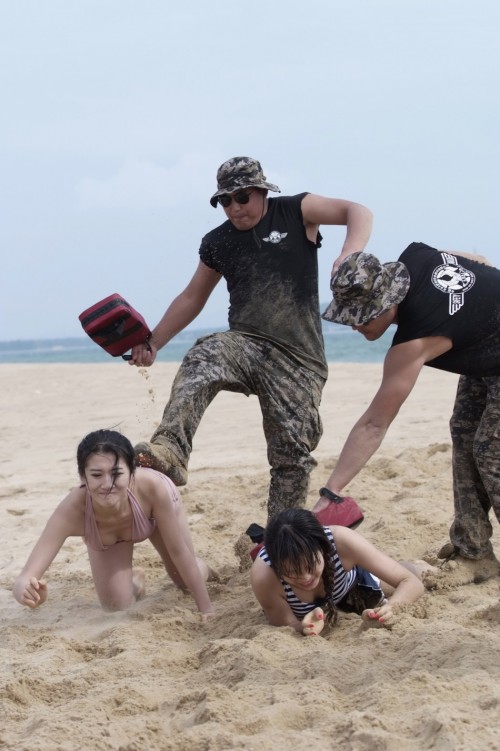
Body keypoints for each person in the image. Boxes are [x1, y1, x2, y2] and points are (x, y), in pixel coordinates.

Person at [129, 156, 373, 519]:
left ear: (262, 192)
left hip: (300, 362)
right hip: (246, 345)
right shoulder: (217, 242)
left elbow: (358, 211)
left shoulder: (295, 211)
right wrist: (153, 342)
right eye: (225, 201)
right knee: (205, 353)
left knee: (291, 455)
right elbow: (192, 297)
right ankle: (171, 450)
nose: (235, 207)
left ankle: (279, 537)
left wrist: (349, 253)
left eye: (243, 197)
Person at [315, 242, 500, 581]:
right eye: (349, 317)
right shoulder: (417, 257)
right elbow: (479, 262)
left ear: (388, 301)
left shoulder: (416, 339)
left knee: (491, 451)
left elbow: (374, 424)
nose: (356, 326)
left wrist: (331, 492)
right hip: (487, 353)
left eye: (363, 316)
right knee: (464, 431)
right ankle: (475, 552)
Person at [13, 429, 214, 618]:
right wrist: (29, 593)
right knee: (116, 605)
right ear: (83, 476)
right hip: (108, 536)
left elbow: (179, 552)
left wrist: (206, 609)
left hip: (154, 512)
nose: (107, 484)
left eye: (117, 474)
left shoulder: (153, 487)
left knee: (182, 579)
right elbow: (25, 577)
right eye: (97, 475)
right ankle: (134, 579)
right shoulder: (72, 510)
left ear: (131, 472)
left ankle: (203, 567)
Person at [250, 508, 426, 636]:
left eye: (311, 567)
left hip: (350, 585)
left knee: (415, 573)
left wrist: (391, 607)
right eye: (292, 573)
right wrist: (303, 627)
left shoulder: (341, 541)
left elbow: (409, 581)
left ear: (323, 547)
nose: (306, 578)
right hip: (308, 610)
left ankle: (422, 565)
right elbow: (286, 625)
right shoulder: (264, 576)